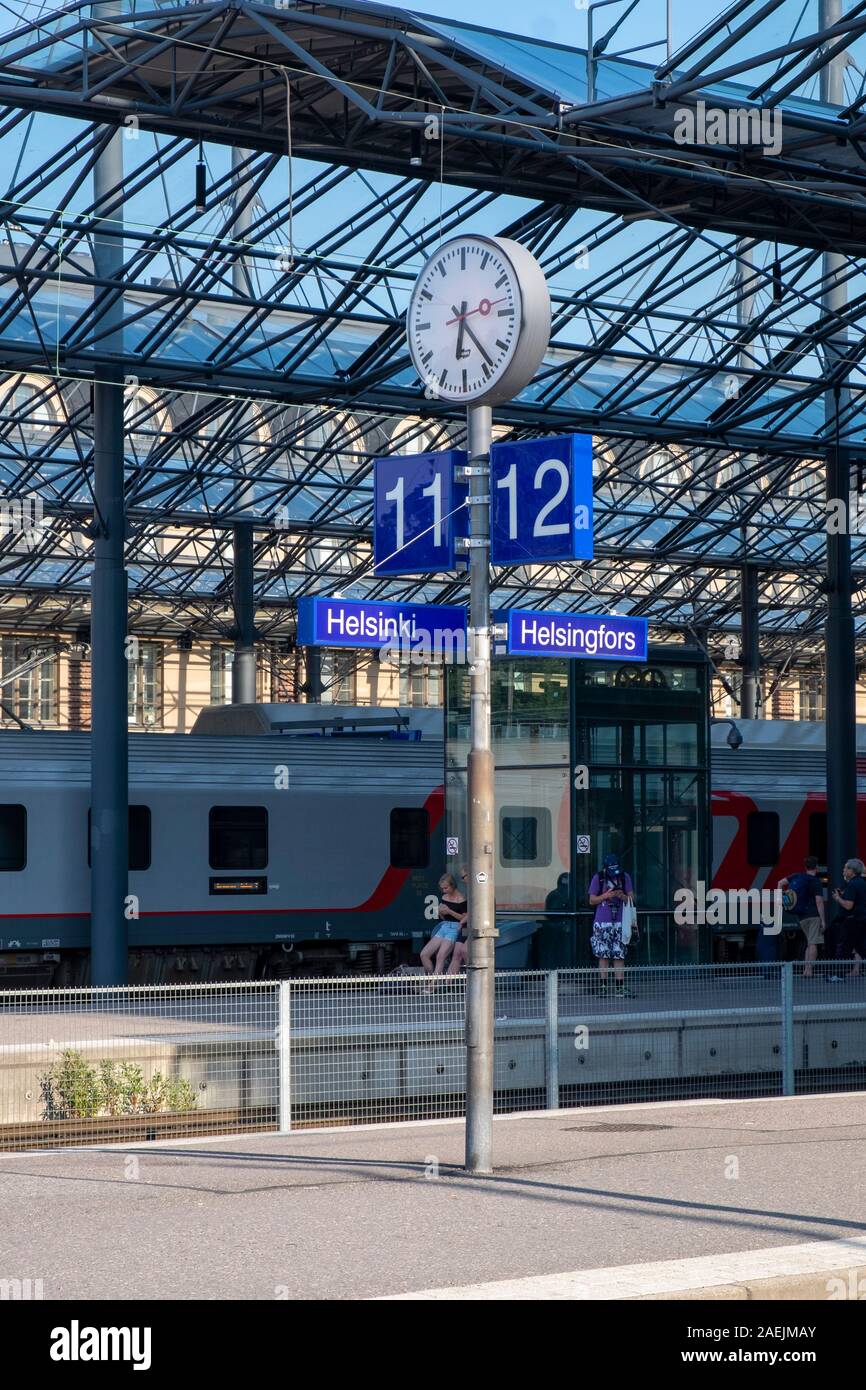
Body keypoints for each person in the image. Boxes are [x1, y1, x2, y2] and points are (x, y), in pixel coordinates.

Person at [588, 853, 635, 997]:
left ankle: (620, 987)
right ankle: (603, 986)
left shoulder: (624, 877)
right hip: (603, 921)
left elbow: (632, 899)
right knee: (603, 955)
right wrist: (605, 896)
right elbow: (591, 900)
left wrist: (622, 896)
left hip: (620, 921)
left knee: (619, 955)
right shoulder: (599, 877)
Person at [777, 856, 825, 978]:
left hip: (801, 916)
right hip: (813, 915)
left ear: (805, 867)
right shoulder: (815, 881)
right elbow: (819, 901)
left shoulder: (797, 876)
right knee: (813, 943)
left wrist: (780, 898)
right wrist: (823, 920)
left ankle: (805, 969)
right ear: (817, 868)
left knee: (809, 942)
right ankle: (809, 971)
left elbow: (780, 883)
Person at [420, 873, 466, 981]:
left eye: (446, 888)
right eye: (442, 888)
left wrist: (449, 911)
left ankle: (432, 985)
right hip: (444, 926)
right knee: (424, 954)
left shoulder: (461, 898)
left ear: (452, 885)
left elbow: (464, 918)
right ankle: (433, 978)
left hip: (455, 927)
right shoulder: (444, 897)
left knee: (440, 956)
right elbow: (443, 917)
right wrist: (440, 912)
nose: (444, 890)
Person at [829, 858, 866, 981]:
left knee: (844, 947)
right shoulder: (862, 883)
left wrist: (838, 898)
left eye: (846, 868)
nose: (843, 870)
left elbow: (849, 905)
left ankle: (838, 975)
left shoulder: (852, 884)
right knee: (862, 947)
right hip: (862, 919)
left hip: (852, 921)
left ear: (852, 871)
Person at [446, 867, 470, 975]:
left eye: (463, 877)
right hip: (466, 926)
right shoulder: (469, 890)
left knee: (464, 951)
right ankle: (449, 985)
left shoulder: (479, 891)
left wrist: (461, 921)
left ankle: (472, 979)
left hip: (473, 926)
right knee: (456, 953)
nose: (462, 880)